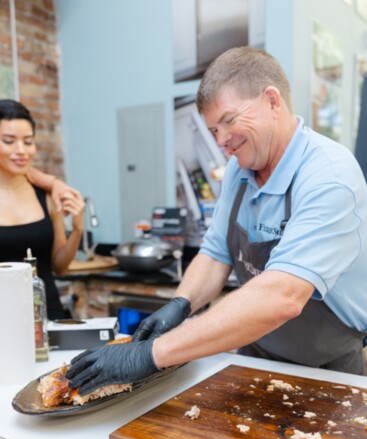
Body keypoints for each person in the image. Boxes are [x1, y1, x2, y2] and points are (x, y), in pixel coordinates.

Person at [66, 46, 367, 395]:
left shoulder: (328, 175)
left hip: (327, 365)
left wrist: (152, 354)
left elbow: (282, 297)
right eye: (213, 131)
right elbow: (215, 254)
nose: (222, 141)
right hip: (256, 348)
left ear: (272, 101)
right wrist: (180, 303)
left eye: (229, 121)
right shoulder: (240, 170)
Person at [0, 99, 85, 319]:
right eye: (8, 141)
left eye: (28, 142)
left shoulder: (46, 195)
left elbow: (59, 267)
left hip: (49, 316)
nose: (21, 151)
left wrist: (77, 229)